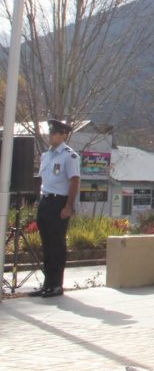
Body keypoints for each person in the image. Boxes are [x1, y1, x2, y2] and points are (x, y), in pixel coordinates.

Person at [32, 118, 81, 298]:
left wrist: (69, 206)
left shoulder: (69, 156)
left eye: (55, 133)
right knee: (46, 244)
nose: (51, 136)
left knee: (57, 244)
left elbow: (74, 180)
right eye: (50, 132)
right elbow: (42, 180)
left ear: (63, 135)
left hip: (59, 202)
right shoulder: (46, 156)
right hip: (46, 202)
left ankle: (56, 285)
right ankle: (47, 283)